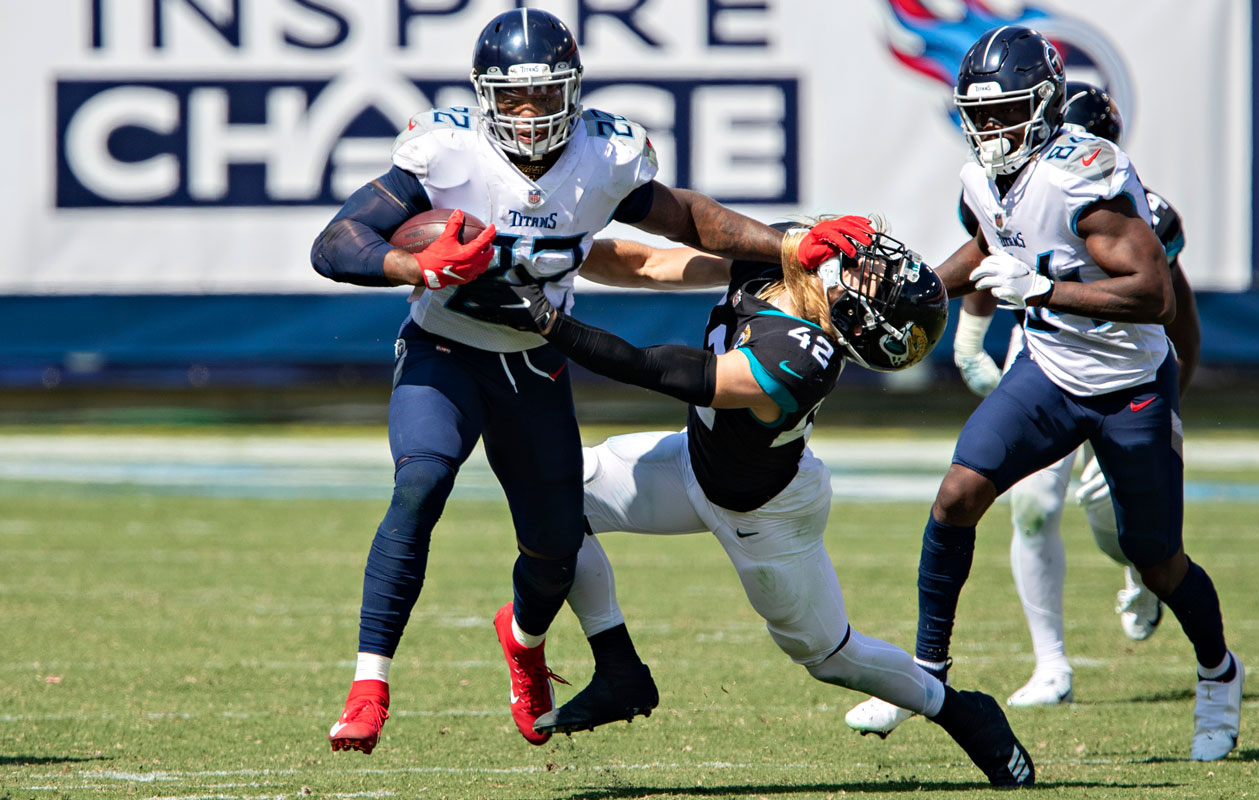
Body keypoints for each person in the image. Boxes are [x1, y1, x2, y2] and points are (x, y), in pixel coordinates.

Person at [310, 8, 856, 754]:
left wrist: (787, 242)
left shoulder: (605, 153)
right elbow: (337, 243)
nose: (530, 114)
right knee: (421, 483)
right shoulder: (446, 151)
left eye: (544, 95)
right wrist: (413, 265)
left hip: (534, 364)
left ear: (574, 91)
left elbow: (688, 220)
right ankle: (368, 687)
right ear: (483, 98)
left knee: (555, 545)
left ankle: (527, 648)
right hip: (444, 351)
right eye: (513, 98)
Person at [468, 219, 1037, 788]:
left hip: (765, 514)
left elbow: (663, 370)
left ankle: (961, 712)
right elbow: (646, 264)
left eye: (874, 280)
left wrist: (546, 319)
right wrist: (545, 257)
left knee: (830, 657)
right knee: (559, 496)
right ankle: (619, 669)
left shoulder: (806, 356)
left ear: (854, 318)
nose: (871, 265)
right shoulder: (788, 257)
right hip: (695, 462)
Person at [843, 27, 1242, 762]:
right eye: (979, 114)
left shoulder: (1080, 173)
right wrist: (919, 289)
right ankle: (926, 669)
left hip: (1126, 384)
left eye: (1006, 112)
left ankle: (1219, 671)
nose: (990, 128)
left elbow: (1154, 294)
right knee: (958, 494)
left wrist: (1045, 290)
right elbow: (991, 241)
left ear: (1048, 105)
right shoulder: (982, 176)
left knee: (1154, 559)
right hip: (1051, 372)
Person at [946, 81, 1202, 706]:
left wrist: (1173, 402)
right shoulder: (995, 177)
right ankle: (1050, 663)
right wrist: (970, 340)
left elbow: (1174, 309)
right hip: (1043, 348)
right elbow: (991, 247)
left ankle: (1147, 575)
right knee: (1029, 504)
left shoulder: (1125, 205)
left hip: (1123, 369)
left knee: (1122, 527)